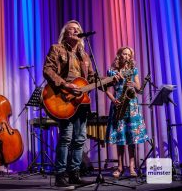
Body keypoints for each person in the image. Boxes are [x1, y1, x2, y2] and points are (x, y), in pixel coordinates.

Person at [43, 20, 119, 188]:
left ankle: (74, 174)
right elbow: (48, 70)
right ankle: (60, 175)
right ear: (65, 33)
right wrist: (64, 85)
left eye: (78, 29)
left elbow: (92, 79)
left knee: (79, 139)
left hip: (81, 102)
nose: (76, 31)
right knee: (66, 137)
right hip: (63, 98)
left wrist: (111, 81)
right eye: (72, 29)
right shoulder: (57, 49)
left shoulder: (84, 55)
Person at [105, 47, 149, 178]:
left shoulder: (133, 70)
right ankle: (119, 167)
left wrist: (132, 84)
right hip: (118, 104)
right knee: (120, 138)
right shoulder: (111, 71)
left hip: (132, 106)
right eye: (124, 54)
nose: (126, 56)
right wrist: (113, 100)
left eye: (129, 55)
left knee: (131, 138)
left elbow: (139, 88)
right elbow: (106, 90)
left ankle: (132, 167)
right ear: (119, 55)